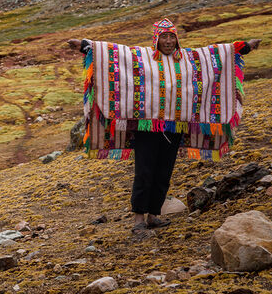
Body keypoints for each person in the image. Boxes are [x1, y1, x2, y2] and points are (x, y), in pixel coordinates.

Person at [67, 18, 260, 239]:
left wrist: (246, 46)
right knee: (144, 171)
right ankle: (139, 218)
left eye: (172, 37)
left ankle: (154, 215)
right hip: (147, 127)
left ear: (177, 39)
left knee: (164, 172)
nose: (168, 41)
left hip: (173, 127)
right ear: (156, 39)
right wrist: (84, 45)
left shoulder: (190, 59)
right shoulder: (141, 57)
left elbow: (216, 54)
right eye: (164, 37)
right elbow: (113, 53)